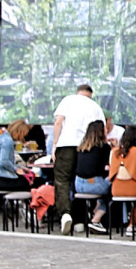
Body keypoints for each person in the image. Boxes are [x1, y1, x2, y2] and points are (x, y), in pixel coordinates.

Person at [50, 84, 106, 223]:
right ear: (90, 94)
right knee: (79, 179)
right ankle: (80, 220)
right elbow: (102, 130)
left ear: (77, 92)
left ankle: (65, 214)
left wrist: (54, 144)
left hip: (66, 144)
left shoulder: (68, 100)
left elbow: (58, 122)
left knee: (62, 180)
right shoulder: (96, 107)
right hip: (86, 147)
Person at [66, 119, 113, 234]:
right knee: (114, 188)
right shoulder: (104, 147)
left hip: (78, 184)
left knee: (103, 188)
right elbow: (107, 167)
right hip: (93, 183)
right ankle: (96, 219)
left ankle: (95, 209)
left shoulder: (81, 148)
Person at [108, 125, 136, 232]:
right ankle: (132, 224)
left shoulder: (113, 152)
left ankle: (125, 221)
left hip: (116, 189)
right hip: (134, 189)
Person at [0, 124, 28, 193]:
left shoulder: (2, 137)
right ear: (19, 132)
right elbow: (4, 161)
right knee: (34, 182)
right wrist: (16, 169)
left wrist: (19, 167)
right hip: (3, 178)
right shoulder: (8, 141)